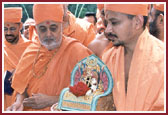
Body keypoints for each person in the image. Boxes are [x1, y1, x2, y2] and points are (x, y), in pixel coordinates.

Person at [6, 4, 92, 111]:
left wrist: (52, 100)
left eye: (53, 28)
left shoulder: (79, 52)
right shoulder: (31, 51)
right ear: (36, 30)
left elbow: (91, 94)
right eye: (43, 29)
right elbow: (22, 87)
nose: (48, 34)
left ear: (61, 27)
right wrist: (19, 103)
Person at [102, 4, 164, 111]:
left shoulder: (162, 59)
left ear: (137, 22)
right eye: (107, 23)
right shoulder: (108, 58)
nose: (107, 30)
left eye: (114, 22)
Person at [4, 7, 32, 110]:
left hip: (24, 100)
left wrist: (19, 72)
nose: (8, 33)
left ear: (20, 26)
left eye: (12, 29)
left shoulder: (31, 47)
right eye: (5, 29)